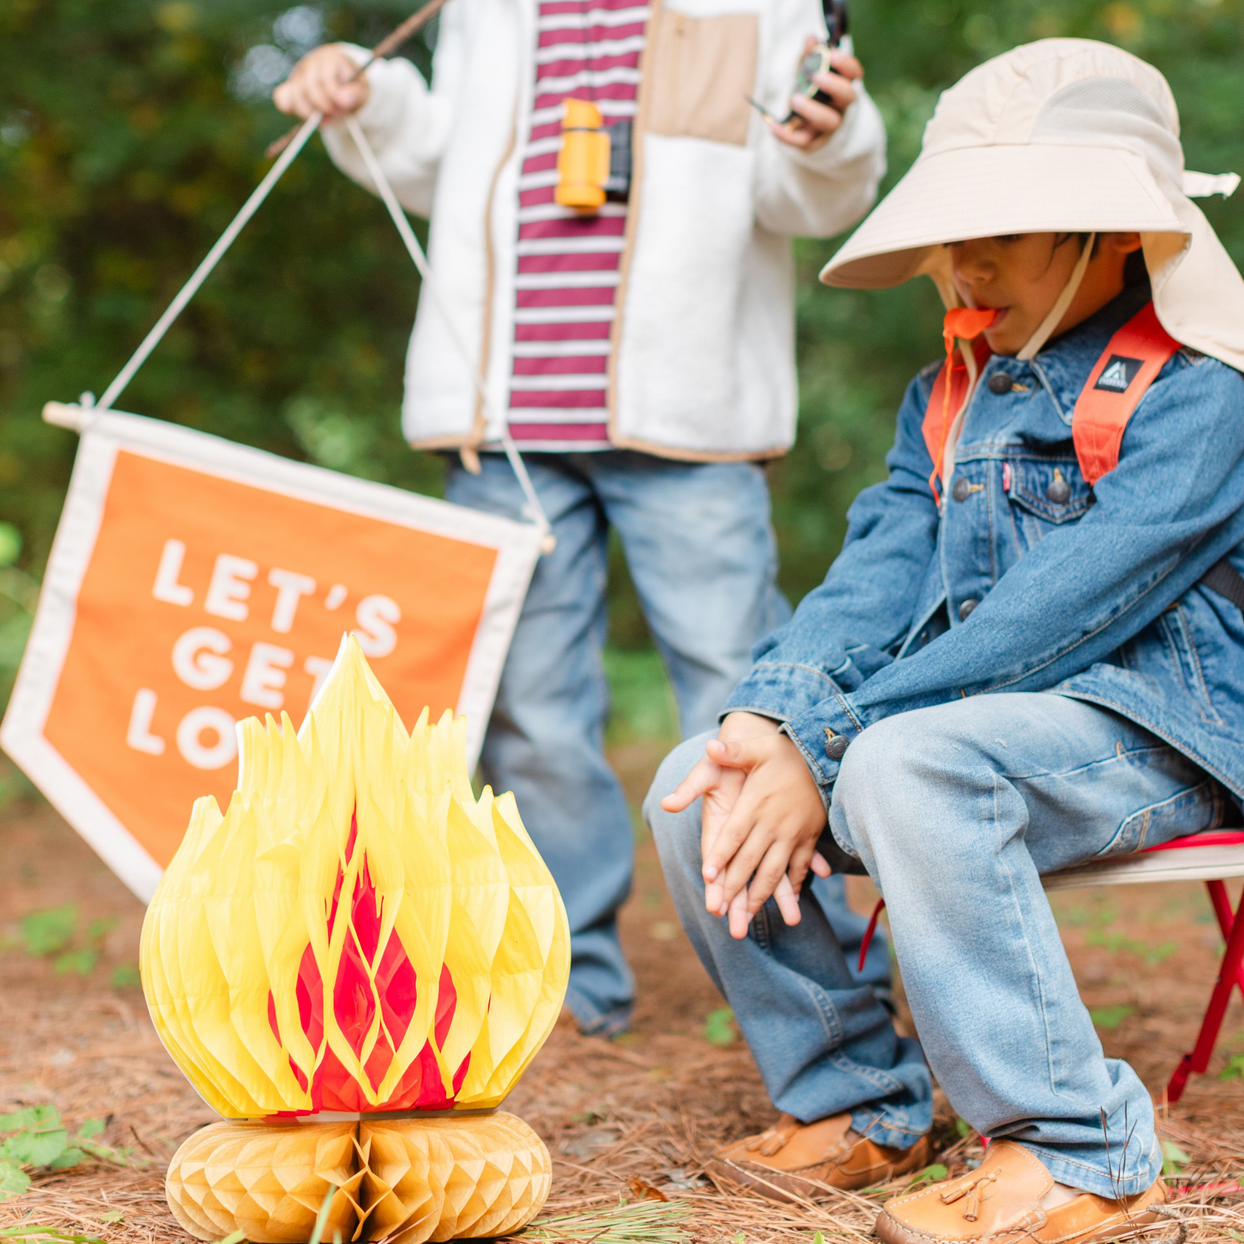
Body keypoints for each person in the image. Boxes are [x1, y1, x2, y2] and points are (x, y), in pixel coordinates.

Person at [645, 37, 1244, 1244]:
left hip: (1160, 727)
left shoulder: (1199, 387)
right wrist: (769, 718)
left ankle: (1076, 1148)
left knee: (900, 761)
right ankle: (858, 1098)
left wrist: (835, 737)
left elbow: (1068, 604)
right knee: (691, 777)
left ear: (1113, 232)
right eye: (949, 234)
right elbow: (872, 575)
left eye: (1002, 231)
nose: (961, 263)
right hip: (980, 719)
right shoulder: (949, 390)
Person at [273, 0, 889, 1036]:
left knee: (744, 706)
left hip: (692, 425)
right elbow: (430, 163)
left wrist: (834, 134)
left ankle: (807, 985)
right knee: (531, 718)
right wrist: (363, 96)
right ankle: (564, 983)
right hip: (498, 426)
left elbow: (807, 196)